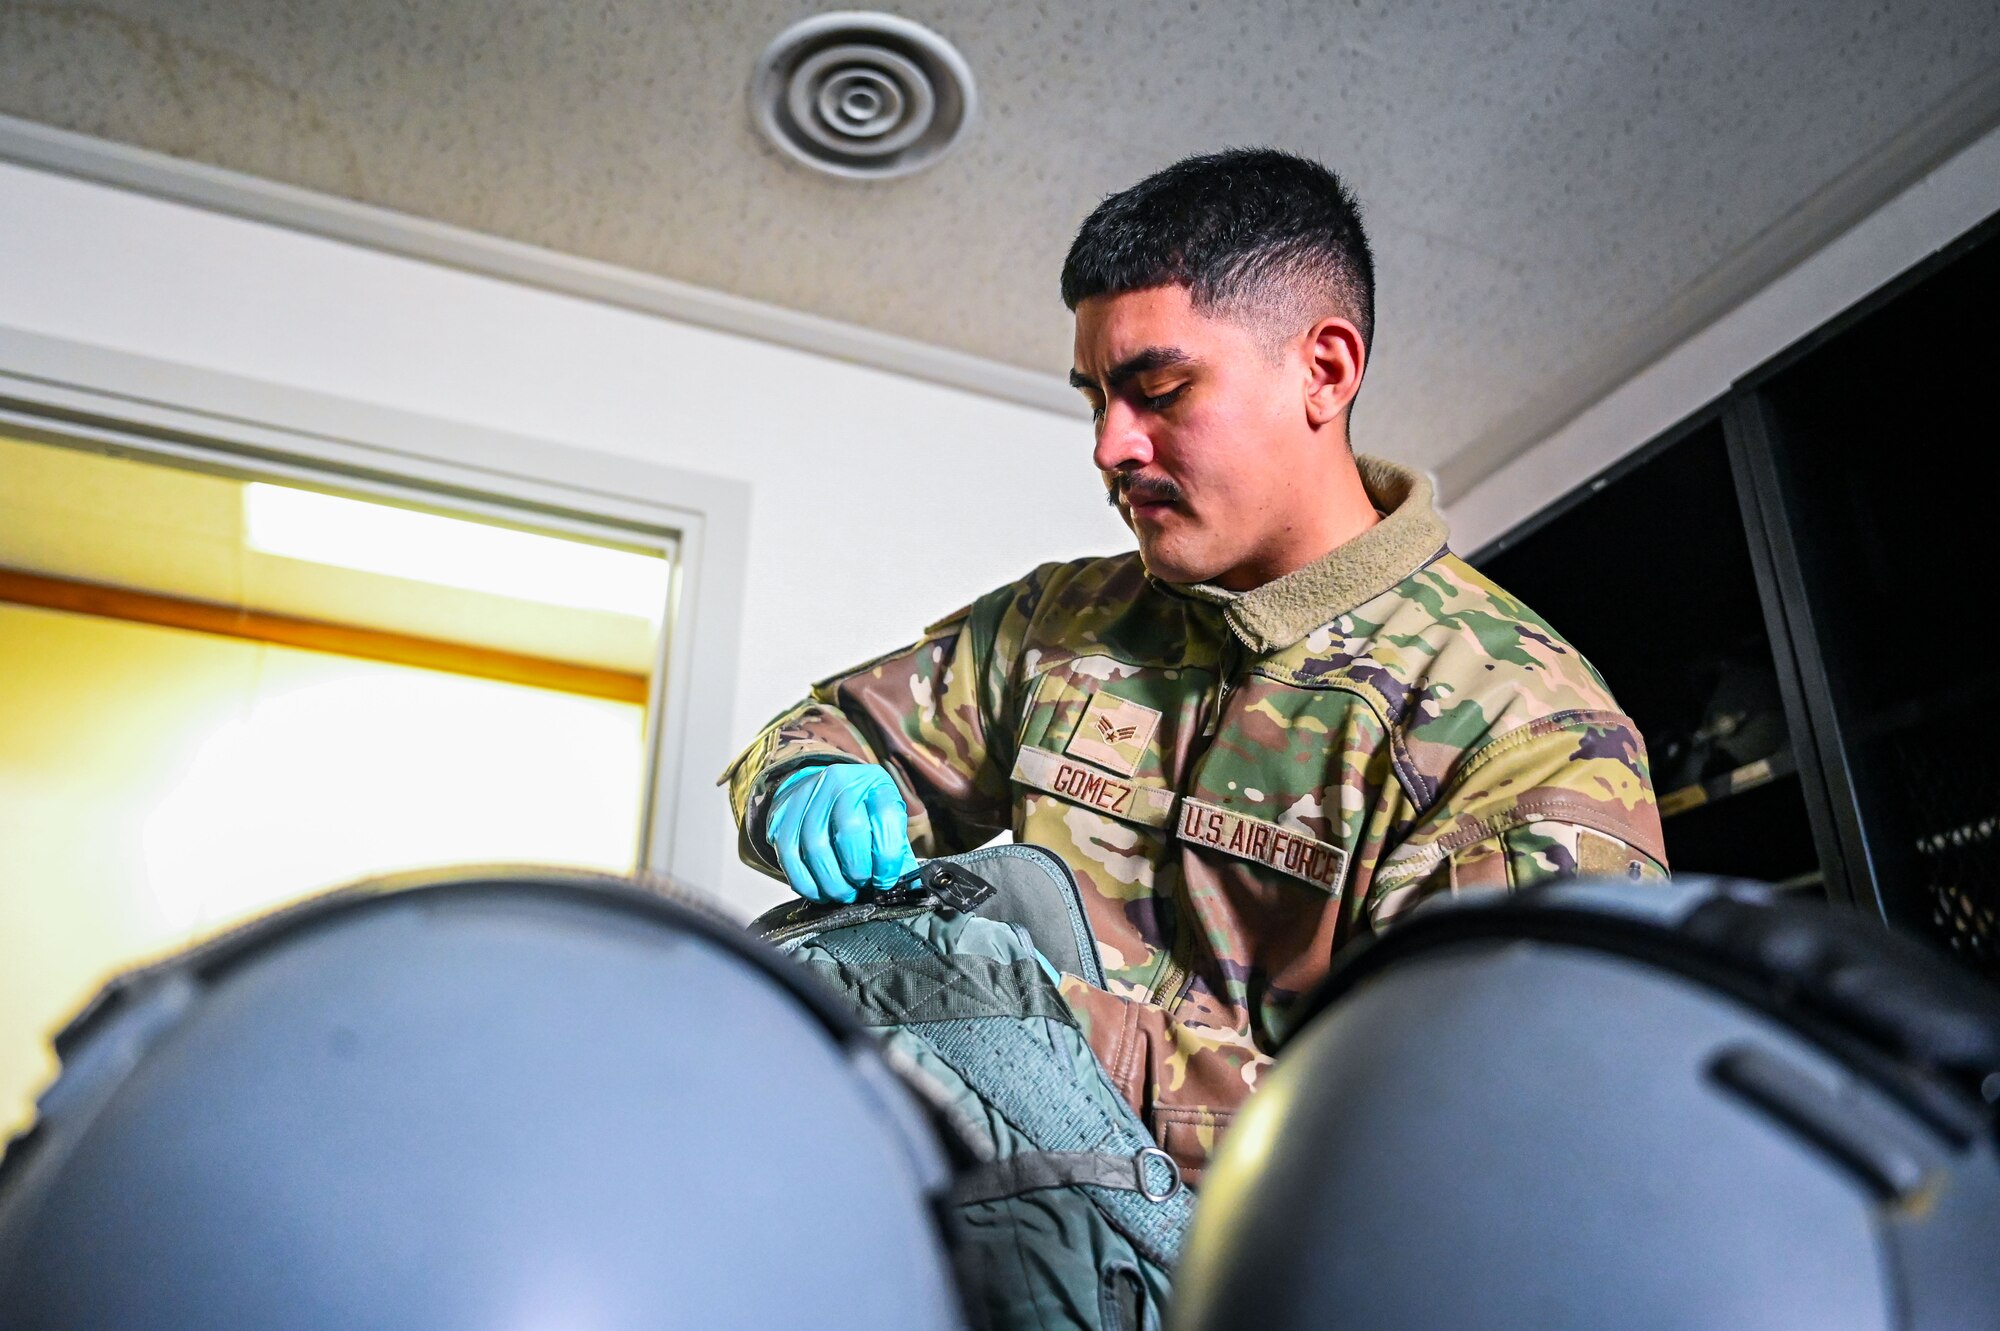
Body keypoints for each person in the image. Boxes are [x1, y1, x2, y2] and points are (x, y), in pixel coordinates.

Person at [724, 148, 1667, 1181]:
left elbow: (1472, 1131)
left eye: (1158, 390)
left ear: (1323, 370)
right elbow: (826, 732)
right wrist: (803, 781)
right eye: (1095, 399)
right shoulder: (1058, 622)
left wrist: (1044, 1032)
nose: (1109, 446)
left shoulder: (1519, 723)